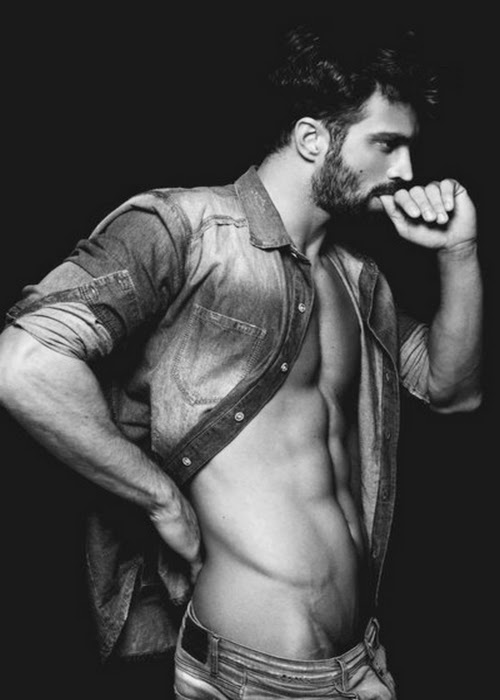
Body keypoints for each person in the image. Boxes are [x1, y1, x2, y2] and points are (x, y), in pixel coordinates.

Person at [0, 23, 482, 700]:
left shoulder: (357, 277)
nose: (405, 171)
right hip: (251, 677)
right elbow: (23, 365)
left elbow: (453, 389)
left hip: (364, 662)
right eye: (386, 144)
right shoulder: (184, 230)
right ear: (313, 139)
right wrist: (158, 497)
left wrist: (458, 253)